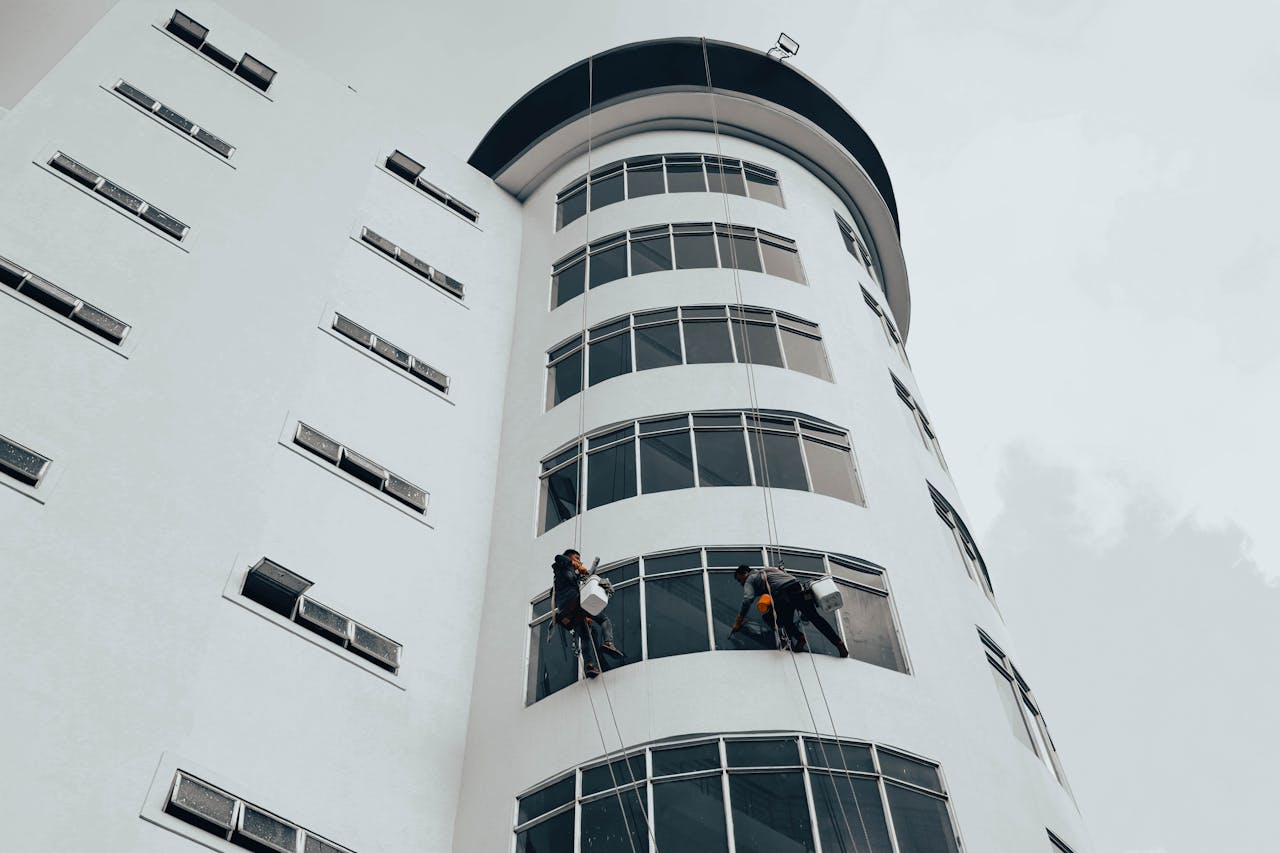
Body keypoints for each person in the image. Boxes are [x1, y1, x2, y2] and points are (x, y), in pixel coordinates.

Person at [730, 564, 849, 657]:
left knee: (773, 618)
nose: (741, 584)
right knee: (815, 619)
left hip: (785, 595)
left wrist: (738, 621)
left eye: (740, 580)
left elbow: (748, 598)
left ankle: (798, 638)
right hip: (799, 590)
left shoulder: (750, 578)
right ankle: (838, 643)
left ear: (745, 573)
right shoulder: (769, 571)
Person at [551, 549, 621, 677]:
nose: (578, 560)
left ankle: (589, 666)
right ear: (569, 557)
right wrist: (577, 566)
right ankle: (608, 642)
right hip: (574, 602)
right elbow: (558, 558)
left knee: (585, 637)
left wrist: (579, 572)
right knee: (604, 619)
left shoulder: (561, 579)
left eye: (579, 558)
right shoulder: (563, 566)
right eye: (576, 557)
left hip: (570, 610)